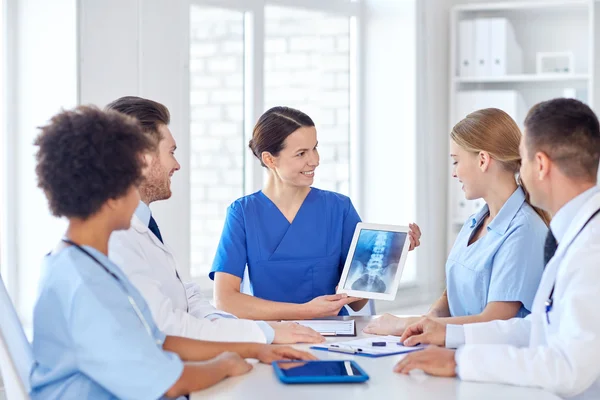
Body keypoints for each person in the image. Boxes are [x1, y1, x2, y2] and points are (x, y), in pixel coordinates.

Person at [29, 106, 315, 399]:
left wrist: (254, 348)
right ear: (113, 191)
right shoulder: (88, 283)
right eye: (132, 180)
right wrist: (225, 364)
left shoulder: (85, 263)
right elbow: (166, 382)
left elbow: (160, 340)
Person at [395, 98, 600, 399]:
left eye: (523, 159)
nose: (520, 170)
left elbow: (568, 368)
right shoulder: (574, 234)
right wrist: (449, 333)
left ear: (540, 165)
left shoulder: (590, 250)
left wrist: (461, 361)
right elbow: (540, 327)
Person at [106, 96, 322, 344]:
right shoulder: (117, 238)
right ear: (142, 158)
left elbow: (186, 298)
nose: (176, 165)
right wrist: (265, 333)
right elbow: (166, 326)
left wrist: (251, 329)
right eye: (171, 152)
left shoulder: (142, 225)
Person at [210, 106, 421, 320]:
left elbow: (358, 303)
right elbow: (226, 300)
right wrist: (307, 311)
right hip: (273, 336)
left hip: (334, 337)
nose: (315, 160)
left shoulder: (339, 208)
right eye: (301, 153)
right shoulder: (243, 214)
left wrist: (392, 252)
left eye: (315, 148)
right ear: (270, 159)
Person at [364, 108, 548, 336]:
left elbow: (493, 322)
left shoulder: (524, 232)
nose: (454, 173)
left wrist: (406, 323)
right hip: (458, 352)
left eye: (456, 161)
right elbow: (451, 294)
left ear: (482, 160)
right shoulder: (475, 222)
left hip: (498, 362)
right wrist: (424, 323)